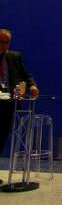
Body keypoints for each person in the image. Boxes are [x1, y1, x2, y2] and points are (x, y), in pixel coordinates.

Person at [0, 29, 40, 167]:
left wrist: (33, 86)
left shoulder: (14, 57)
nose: (4, 45)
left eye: (6, 42)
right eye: (1, 42)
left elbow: (26, 75)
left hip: (9, 103)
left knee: (2, 136)